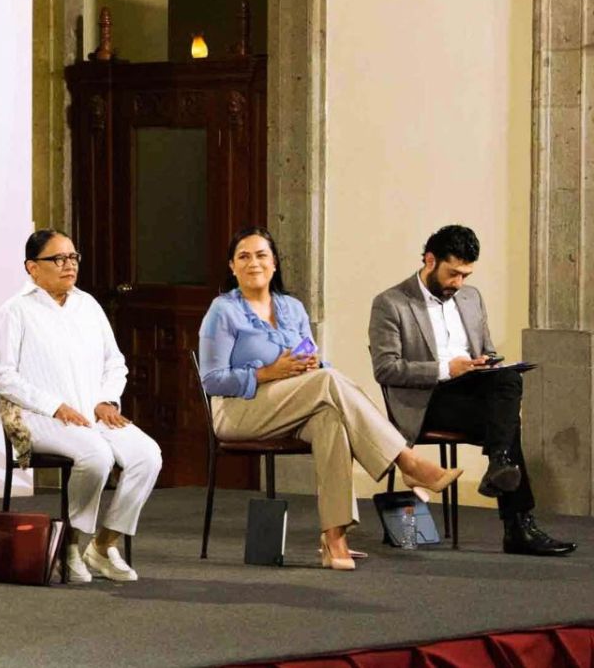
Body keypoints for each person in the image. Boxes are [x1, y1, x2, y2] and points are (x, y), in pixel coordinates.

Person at [198, 226, 462, 570]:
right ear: (232, 267)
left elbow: (316, 363)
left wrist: (313, 365)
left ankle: (334, 538)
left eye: (261, 255)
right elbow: (211, 380)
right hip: (239, 411)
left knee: (331, 418)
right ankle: (407, 461)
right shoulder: (223, 310)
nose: (254, 263)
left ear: (275, 263)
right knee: (327, 383)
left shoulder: (292, 307)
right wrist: (267, 373)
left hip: (295, 401)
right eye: (243, 257)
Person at [369, 225, 575, 557]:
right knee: (508, 427)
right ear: (430, 260)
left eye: (465, 275)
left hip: (470, 390)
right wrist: (444, 369)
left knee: (508, 380)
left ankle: (500, 464)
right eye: (453, 274)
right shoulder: (391, 303)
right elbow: (386, 368)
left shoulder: (471, 297)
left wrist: (486, 363)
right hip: (426, 400)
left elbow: (488, 349)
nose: (458, 283)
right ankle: (518, 523)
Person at [0, 229, 162, 582]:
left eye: (72, 257)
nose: (69, 265)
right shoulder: (15, 311)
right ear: (32, 268)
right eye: (58, 259)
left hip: (91, 414)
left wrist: (106, 399)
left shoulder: (88, 305)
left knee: (147, 455)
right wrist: (55, 406)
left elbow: (116, 362)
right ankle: (69, 545)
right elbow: (1, 375)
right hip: (41, 418)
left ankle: (102, 545)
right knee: (97, 456)